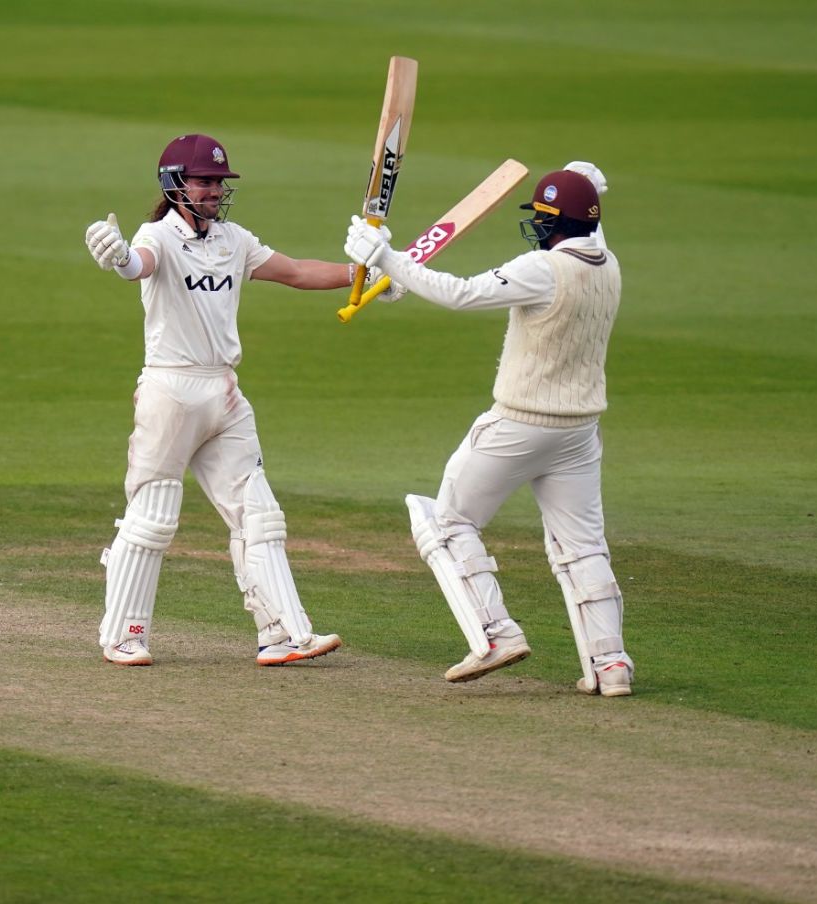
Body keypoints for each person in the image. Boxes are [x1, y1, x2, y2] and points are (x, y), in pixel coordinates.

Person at [83, 133, 396, 667]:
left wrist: (369, 273)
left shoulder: (234, 239)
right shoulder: (156, 235)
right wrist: (117, 260)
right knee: (154, 518)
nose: (213, 192)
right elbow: (140, 264)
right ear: (175, 183)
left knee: (259, 515)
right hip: (170, 390)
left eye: (218, 183)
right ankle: (123, 635)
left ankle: (283, 634)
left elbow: (295, 272)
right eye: (205, 182)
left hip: (224, 392)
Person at [342, 161, 634, 697]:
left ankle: (496, 632)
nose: (537, 226)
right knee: (583, 547)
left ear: (555, 222)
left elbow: (460, 293)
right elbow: (590, 228)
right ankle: (610, 664)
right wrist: (583, 183)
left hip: (519, 424)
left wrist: (386, 257)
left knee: (447, 522)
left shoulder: (542, 270)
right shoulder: (608, 263)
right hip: (579, 435)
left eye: (543, 217)